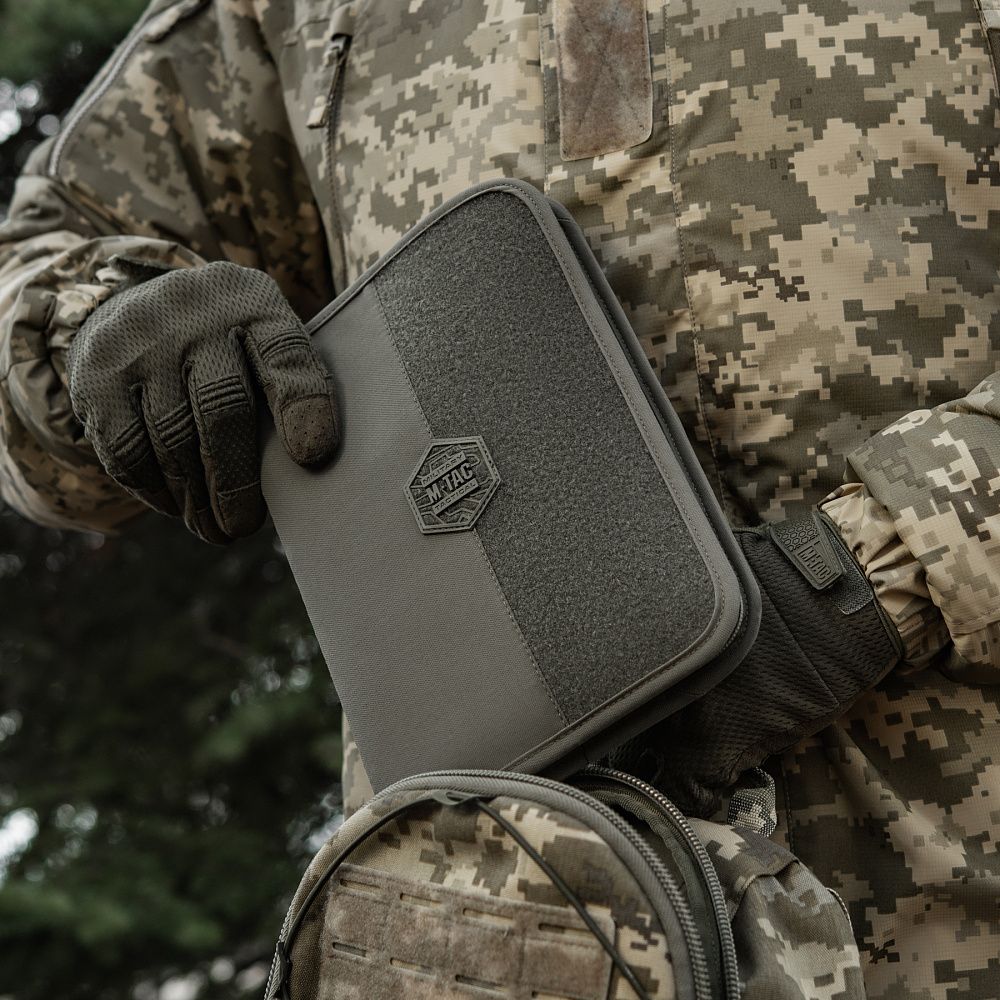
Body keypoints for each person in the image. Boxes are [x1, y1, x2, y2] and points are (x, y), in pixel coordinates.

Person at [2, 1, 999, 995]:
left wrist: (873, 574)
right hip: (498, 928)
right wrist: (99, 324)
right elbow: (46, 252)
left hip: (947, 888)